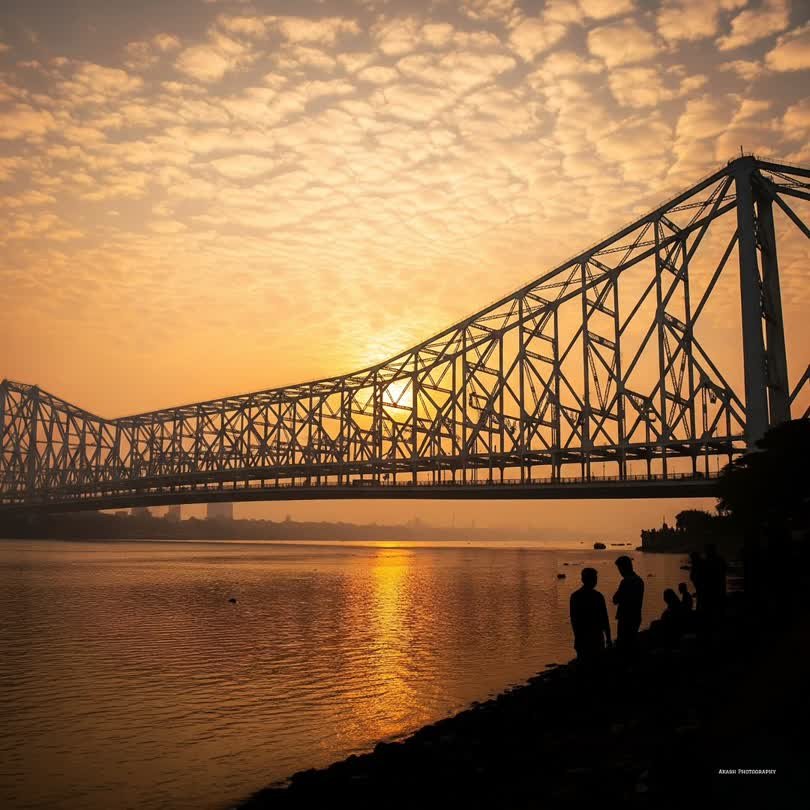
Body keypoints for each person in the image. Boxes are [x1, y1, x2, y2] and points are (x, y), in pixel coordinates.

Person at [569, 567, 612, 664]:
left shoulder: (575, 596)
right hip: (596, 638)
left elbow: (573, 619)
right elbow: (605, 619)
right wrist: (608, 638)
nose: (596, 580)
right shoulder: (598, 596)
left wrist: (577, 636)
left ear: (582, 579)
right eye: (595, 578)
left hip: (582, 638)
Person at [612, 555, 644, 651]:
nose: (619, 572)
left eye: (619, 569)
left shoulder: (625, 582)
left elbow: (615, 599)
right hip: (636, 616)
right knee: (632, 641)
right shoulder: (639, 580)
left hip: (625, 617)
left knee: (623, 644)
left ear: (623, 568)